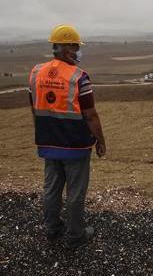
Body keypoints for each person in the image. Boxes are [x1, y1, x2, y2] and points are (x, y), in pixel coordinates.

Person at [28, 24, 107, 248]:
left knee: (51, 189)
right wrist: (100, 140)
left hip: (48, 142)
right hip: (76, 146)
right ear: (65, 49)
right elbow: (90, 115)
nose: (78, 51)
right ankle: (75, 236)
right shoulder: (79, 77)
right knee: (75, 193)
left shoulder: (35, 73)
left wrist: (43, 132)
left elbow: (34, 107)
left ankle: (52, 229)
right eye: (75, 47)